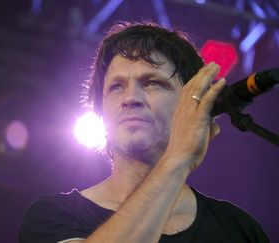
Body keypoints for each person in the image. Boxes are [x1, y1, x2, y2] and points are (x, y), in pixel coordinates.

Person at [18, 21, 270, 242]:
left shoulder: (240, 229)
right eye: (116, 87)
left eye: (151, 82)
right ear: (101, 111)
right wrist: (177, 159)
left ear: (192, 103)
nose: (130, 98)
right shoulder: (54, 215)